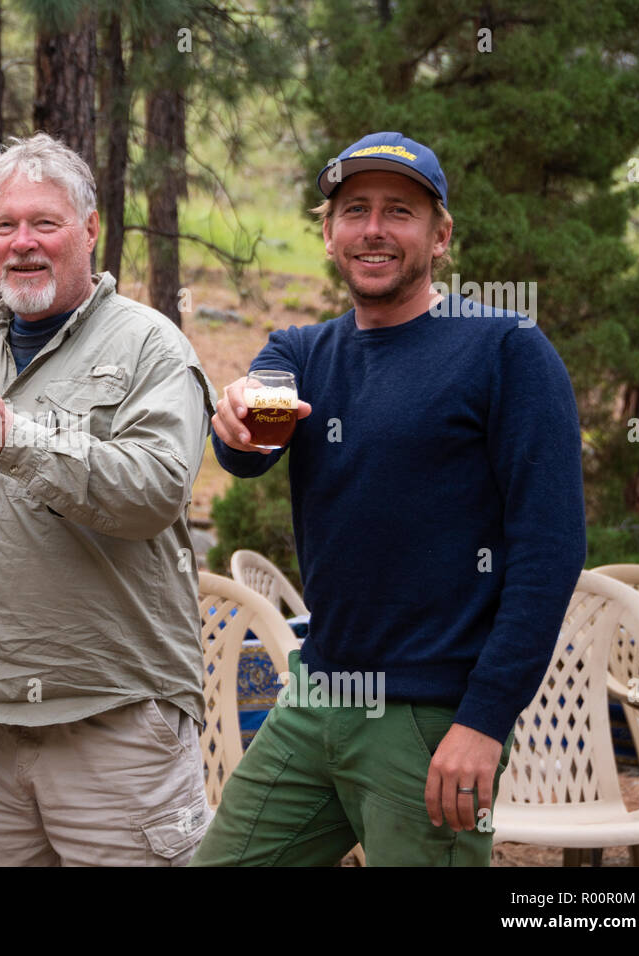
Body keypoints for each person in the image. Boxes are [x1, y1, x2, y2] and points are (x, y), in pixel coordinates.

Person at [191, 131, 587, 866]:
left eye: (399, 211)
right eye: (354, 210)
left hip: (432, 722)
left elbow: (551, 550)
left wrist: (485, 721)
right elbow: (253, 440)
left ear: (440, 236)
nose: (373, 229)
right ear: (329, 233)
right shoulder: (301, 352)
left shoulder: (505, 349)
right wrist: (240, 421)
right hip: (316, 701)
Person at [0, 134, 217, 866]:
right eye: (5, 226)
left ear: (91, 229)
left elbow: (154, 492)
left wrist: (14, 437)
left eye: (45, 223)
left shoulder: (149, 347)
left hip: (115, 724)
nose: (22, 244)